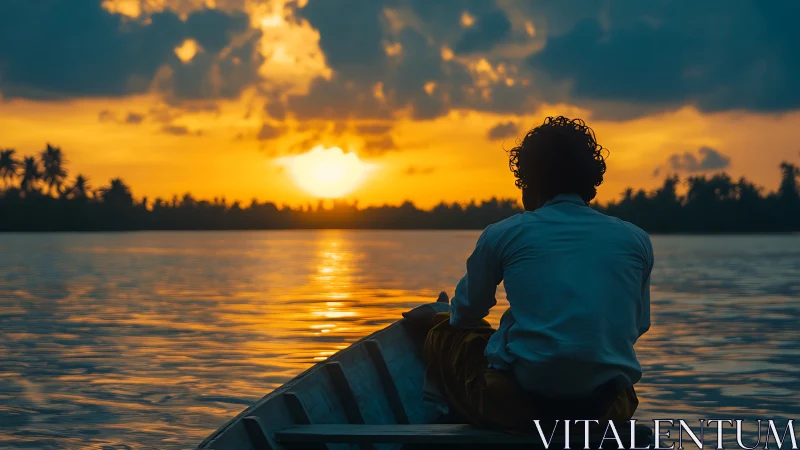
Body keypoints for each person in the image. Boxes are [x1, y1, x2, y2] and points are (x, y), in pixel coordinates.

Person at [404, 116, 654, 432]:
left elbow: (466, 315)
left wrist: (441, 319)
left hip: (519, 408)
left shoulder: (503, 234)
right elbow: (639, 325)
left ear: (528, 182)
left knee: (445, 334)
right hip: (605, 409)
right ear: (590, 183)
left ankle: (444, 406)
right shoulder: (635, 239)